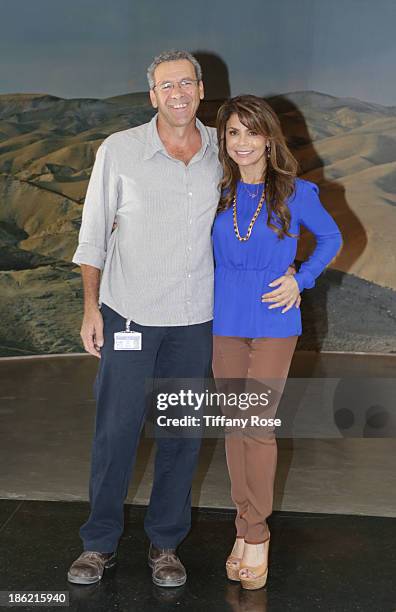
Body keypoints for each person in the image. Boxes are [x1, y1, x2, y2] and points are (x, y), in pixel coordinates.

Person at [67, 49, 222, 588]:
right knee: (116, 432)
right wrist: (92, 308)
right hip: (129, 316)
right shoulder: (120, 151)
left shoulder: (225, 153)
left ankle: (165, 545)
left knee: (182, 434)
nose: (177, 93)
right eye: (165, 86)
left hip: (196, 320)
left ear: (201, 89)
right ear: (152, 96)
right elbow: (92, 236)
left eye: (186, 83)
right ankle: (99, 542)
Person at [211, 95, 342, 590]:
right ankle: (244, 526)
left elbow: (330, 240)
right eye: (232, 134)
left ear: (268, 136)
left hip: (273, 322)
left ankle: (256, 534)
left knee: (257, 427)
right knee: (233, 427)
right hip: (224, 322)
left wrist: (301, 279)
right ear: (224, 142)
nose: (242, 143)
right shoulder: (218, 191)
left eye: (251, 131)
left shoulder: (295, 190)